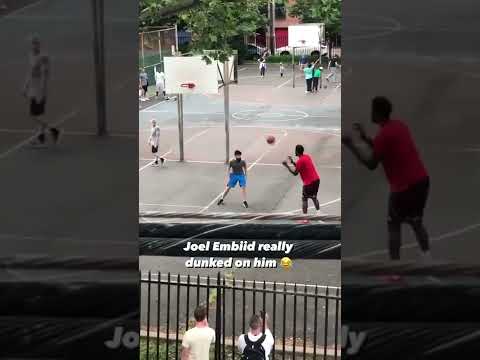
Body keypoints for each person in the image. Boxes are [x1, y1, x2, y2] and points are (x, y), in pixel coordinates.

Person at [342, 96, 431, 261]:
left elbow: (371, 163)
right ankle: (428, 260)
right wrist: (364, 138)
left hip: (403, 187)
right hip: (421, 181)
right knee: (416, 221)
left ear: (377, 112)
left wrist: (351, 146)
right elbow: (382, 148)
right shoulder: (399, 126)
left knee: (394, 226)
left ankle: (395, 271)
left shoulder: (384, 135)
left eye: (372, 110)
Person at [23, 35, 60, 145]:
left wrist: (42, 92)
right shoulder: (30, 55)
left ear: (39, 45)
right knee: (39, 115)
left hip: (39, 89)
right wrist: (25, 87)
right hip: (33, 88)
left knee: (33, 115)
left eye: (35, 43)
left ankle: (54, 130)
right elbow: (30, 72)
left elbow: (45, 74)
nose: (33, 45)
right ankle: (41, 138)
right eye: (32, 43)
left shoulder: (43, 57)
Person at [282, 145, 321, 216]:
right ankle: (319, 213)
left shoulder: (300, 161)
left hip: (309, 183)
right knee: (314, 197)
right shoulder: (307, 157)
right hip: (316, 180)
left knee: (304, 199)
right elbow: (300, 166)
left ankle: (305, 218)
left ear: (296, 151)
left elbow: (295, 173)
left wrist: (287, 166)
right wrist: (292, 162)